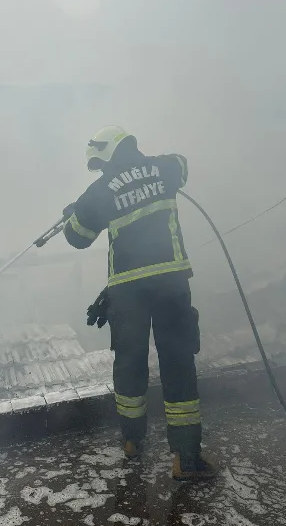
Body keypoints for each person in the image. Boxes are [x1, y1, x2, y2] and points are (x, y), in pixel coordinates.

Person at [62, 125, 219, 481]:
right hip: (171, 282)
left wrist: (73, 211)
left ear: (107, 155)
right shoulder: (164, 168)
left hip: (127, 290)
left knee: (130, 364)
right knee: (177, 363)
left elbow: (77, 237)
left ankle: (132, 441)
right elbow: (183, 165)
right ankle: (187, 458)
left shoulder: (99, 190)